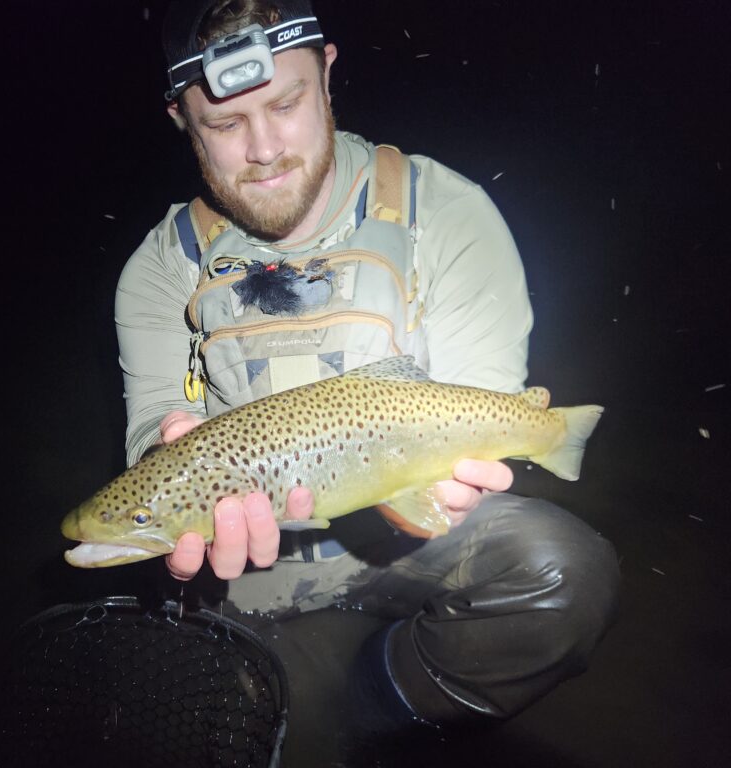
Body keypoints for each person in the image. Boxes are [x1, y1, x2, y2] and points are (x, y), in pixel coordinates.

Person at [115, 0, 620, 745]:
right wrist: (168, 472)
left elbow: (476, 411)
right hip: (247, 569)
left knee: (565, 573)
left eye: (285, 103)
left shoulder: (446, 213)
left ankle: (383, 695)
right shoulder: (160, 272)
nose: (262, 148)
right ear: (180, 120)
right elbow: (152, 458)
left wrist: (457, 475)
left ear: (327, 72)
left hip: (414, 545)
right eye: (224, 124)